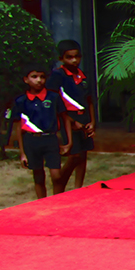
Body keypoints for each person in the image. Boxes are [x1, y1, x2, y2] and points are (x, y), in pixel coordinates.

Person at [13, 62, 72, 199]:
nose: (39, 80)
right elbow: (19, 127)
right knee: (38, 176)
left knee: (56, 175)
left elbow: (65, 119)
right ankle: (42, 203)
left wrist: (69, 142)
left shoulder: (53, 97)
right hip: (31, 140)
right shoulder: (21, 101)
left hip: (50, 139)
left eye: (42, 77)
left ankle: (57, 200)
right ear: (26, 79)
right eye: (34, 77)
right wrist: (22, 153)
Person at [47, 40, 94, 189]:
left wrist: (92, 121)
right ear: (61, 58)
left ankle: (78, 187)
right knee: (74, 155)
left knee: (83, 154)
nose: (74, 60)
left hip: (83, 117)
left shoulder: (83, 76)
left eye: (77, 56)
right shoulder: (57, 76)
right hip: (67, 119)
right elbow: (53, 101)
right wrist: (72, 121)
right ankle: (60, 183)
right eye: (69, 57)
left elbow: (89, 100)